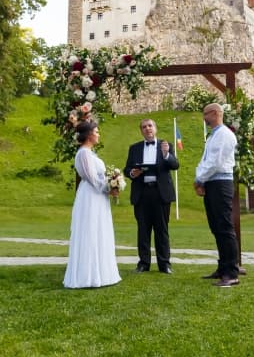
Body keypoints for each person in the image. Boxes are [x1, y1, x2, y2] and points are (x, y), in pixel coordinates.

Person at [64, 120, 121, 289]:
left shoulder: (91, 153)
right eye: (96, 132)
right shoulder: (83, 154)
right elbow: (92, 178)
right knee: (89, 231)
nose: (98, 134)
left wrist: (113, 182)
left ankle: (102, 273)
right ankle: (86, 276)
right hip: (90, 196)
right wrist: (109, 187)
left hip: (98, 197)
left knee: (99, 231)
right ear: (89, 134)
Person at [123, 118, 179, 274]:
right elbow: (126, 169)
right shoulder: (134, 148)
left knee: (162, 229)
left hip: (160, 193)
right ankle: (143, 263)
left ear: (155, 128)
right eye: (144, 127)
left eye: (150, 126)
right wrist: (132, 172)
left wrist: (167, 154)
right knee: (143, 229)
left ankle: (164, 264)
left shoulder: (165, 146)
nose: (147, 129)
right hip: (142, 192)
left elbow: (175, 165)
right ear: (141, 131)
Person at [194, 102, 240, 288]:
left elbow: (216, 162)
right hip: (212, 182)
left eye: (205, 114)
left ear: (214, 113)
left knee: (224, 226)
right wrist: (200, 178)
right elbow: (205, 160)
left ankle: (231, 272)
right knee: (216, 226)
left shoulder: (225, 135)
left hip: (221, 182)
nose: (204, 118)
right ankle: (222, 267)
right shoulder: (213, 136)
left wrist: (199, 179)